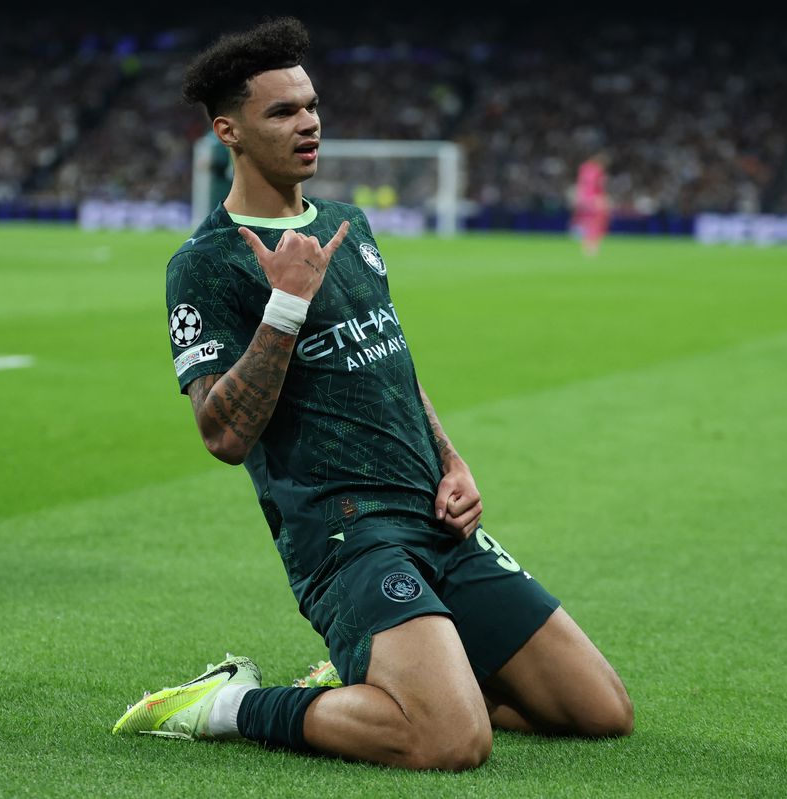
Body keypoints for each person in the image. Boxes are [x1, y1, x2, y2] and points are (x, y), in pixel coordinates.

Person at [113, 17, 633, 770]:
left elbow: (388, 358)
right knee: (451, 740)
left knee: (598, 711)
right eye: (283, 112)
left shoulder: (348, 224)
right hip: (346, 532)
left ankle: (380, 673)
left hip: (432, 513)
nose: (309, 124)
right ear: (228, 130)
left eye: (312, 106)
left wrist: (452, 461)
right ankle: (225, 703)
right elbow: (222, 435)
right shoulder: (205, 263)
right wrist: (285, 306)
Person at [572, 153, 611, 256]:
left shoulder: (583, 168)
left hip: (583, 198)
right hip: (594, 199)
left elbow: (581, 184)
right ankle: (592, 246)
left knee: (586, 221)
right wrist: (602, 200)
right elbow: (598, 187)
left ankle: (586, 245)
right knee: (598, 222)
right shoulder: (598, 171)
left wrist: (579, 198)